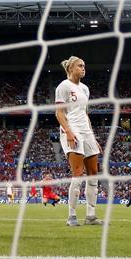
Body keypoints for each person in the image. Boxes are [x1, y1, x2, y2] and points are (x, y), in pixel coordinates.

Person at [55, 56, 102, 226]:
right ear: (71, 69)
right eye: (80, 66)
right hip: (72, 130)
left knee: (93, 174)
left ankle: (91, 216)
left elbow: (85, 114)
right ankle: (71, 216)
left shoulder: (85, 89)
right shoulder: (63, 86)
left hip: (86, 132)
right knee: (78, 174)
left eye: (84, 65)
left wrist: (93, 138)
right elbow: (59, 113)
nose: (83, 68)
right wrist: (68, 131)